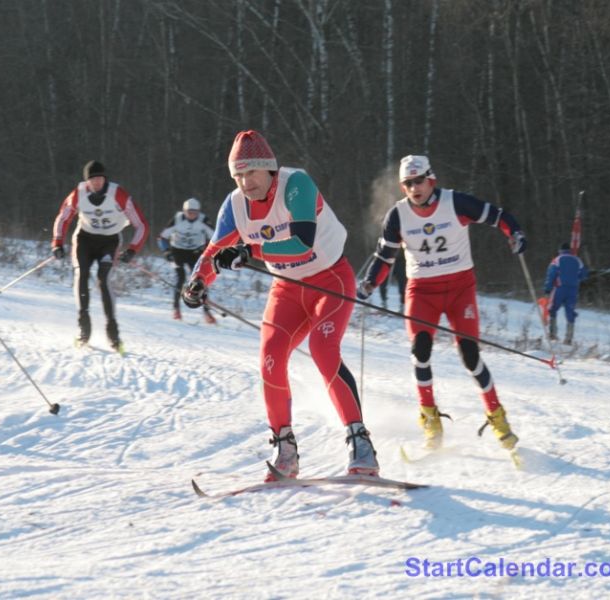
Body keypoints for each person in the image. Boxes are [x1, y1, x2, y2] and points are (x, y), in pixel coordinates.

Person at [182, 130, 379, 481]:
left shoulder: (295, 185)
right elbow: (214, 251)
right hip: (287, 288)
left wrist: (249, 251)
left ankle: (359, 441)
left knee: (323, 349)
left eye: (251, 173)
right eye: (238, 176)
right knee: (270, 358)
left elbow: (302, 244)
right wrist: (197, 282)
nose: (245, 182)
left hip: (329, 280)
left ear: (270, 169)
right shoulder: (235, 204)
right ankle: (285, 448)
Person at [358, 155, 527, 451]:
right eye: (408, 184)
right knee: (420, 352)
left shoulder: (456, 203)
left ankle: (498, 419)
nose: (415, 188)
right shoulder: (397, 216)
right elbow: (385, 258)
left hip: (460, 289)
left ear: (431, 180)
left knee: (471, 357)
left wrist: (514, 234)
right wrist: (370, 283)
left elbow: (498, 216)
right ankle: (430, 421)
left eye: (419, 181)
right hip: (422, 293)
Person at [51, 160, 148, 352]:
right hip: (84, 239)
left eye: (100, 178)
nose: (97, 182)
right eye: (93, 179)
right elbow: (63, 217)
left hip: (109, 242)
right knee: (82, 275)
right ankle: (83, 328)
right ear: (87, 181)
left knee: (104, 280)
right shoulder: (78, 194)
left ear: (105, 179)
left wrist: (132, 250)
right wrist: (58, 242)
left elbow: (141, 224)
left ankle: (113, 333)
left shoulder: (118, 194)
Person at [157, 197, 217, 323]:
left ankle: (206, 312)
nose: (192, 215)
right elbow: (161, 238)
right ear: (184, 211)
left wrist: (208, 251)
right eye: (189, 212)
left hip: (195, 252)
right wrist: (167, 252)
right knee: (181, 277)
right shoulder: (177, 219)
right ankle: (176, 310)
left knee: (200, 280)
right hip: (177, 251)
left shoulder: (203, 220)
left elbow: (216, 238)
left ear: (199, 212)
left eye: (195, 212)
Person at [544, 242, 588, 344]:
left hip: (559, 288)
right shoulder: (577, 260)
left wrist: (547, 288)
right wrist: (575, 278)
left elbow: (551, 274)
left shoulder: (557, 260)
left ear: (560, 251)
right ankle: (569, 338)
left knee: (552, 309)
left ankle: (553, 334)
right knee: (570, 311)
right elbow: (584, 274)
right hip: (573, 289)